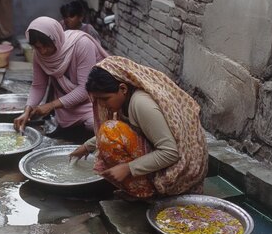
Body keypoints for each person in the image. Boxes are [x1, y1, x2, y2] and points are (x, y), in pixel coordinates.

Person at [69, 56, 208, 199]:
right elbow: (127, 130)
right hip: (166, 157)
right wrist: (86, 147)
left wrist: (128, 168)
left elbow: (170, 153)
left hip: (180, 173)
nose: (102, 105)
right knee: (110, 131)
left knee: (109, 132)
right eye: (98, 99)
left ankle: (145, 193)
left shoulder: (141, 104)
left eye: (105, 98)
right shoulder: (125, 100)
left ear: (122, 88)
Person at [13, 16, 109, 133]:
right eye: (38, 47)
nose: (43, 51)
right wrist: (27, 111)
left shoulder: (81, 44)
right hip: (66, 104)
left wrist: (51, 105)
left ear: (56, 39)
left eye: (47, 46)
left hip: (93, 99)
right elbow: (38, 85)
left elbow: (85, 89)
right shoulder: (38, 55)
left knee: (95, 127)